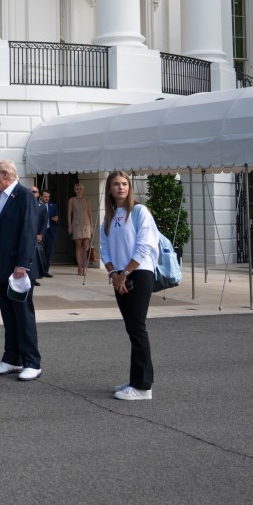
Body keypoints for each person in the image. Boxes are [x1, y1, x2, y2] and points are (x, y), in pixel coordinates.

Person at [99, 171, 159, 401]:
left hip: (139, 273)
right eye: (116, 184)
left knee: (137, 328)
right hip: (120, 276)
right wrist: (114, 273)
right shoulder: (110, 215)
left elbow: (144, 247)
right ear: (110, 188)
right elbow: (104, 249)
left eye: (124, 184)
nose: (121, 187)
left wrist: (124, 274)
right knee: (132, 330)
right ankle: (136, 379)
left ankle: (143, 387)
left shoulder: (140, 212)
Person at [0, 159, 42, 381]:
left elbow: (28, 231)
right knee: (9, 316)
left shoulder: (24, 196)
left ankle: (32, 362)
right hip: (1, 266)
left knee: (23, 316)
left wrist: (22, 264)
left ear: (5, 175)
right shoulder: (1, 197)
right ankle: (12, 358)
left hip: (16, 268)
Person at [68, 181, 94, 278]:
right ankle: (79, 266)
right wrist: (70, 226)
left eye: (80, 189)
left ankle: (85, 267)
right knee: (78, 245)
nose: (79, 191)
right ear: (75, 190)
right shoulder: (72, 200)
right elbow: (69, 214)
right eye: (77, 189)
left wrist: (91, 227)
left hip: (86, 224)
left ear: (83, 190)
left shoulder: (87, 200)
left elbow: (90, 214)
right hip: (76, 224)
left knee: (85, 246)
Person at [41, 189, 59, 277]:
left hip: (50, 231)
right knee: (40, 253)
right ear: (41, 196)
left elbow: (58, 218)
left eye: (48, 197)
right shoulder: (37, 205)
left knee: (48, 252)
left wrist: (57, 219)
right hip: (40, 232)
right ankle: (39, 271)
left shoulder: (53, 206)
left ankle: (46, 271)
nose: (47, 198)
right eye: (45, 196)